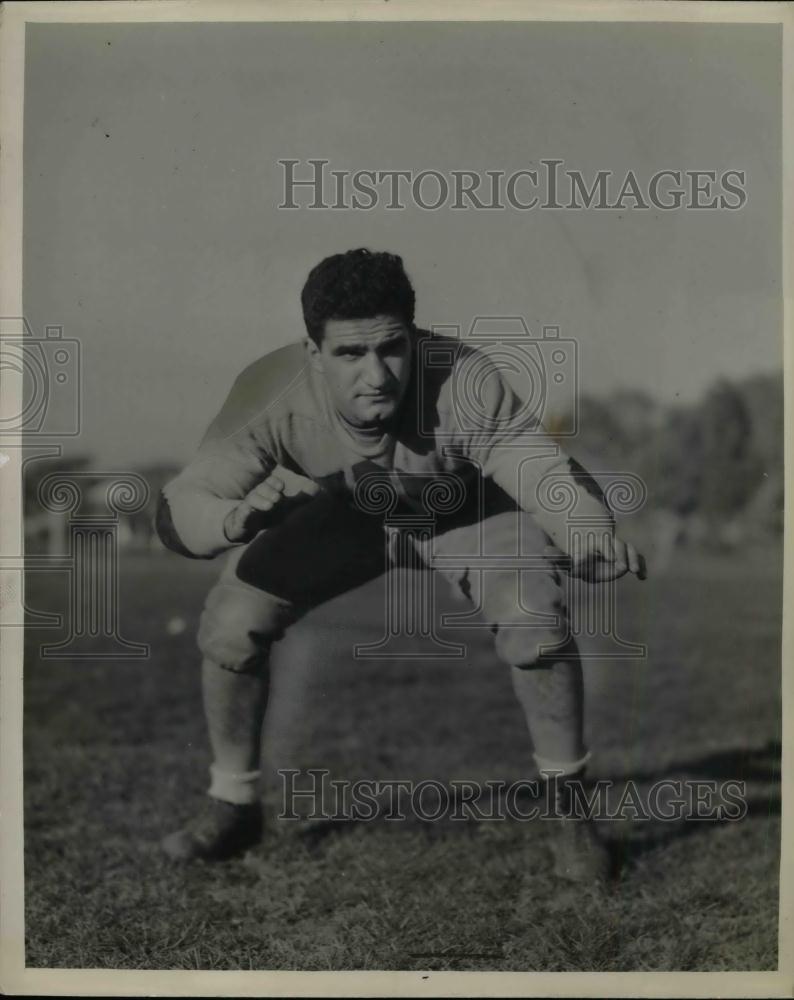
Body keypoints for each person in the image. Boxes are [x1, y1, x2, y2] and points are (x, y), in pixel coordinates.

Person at [155, 248, 645, 880]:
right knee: (231, 621)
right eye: (350, 354)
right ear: (313, 353)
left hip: (468, 512)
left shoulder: (464, 377)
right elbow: (180, 506)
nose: (377, 375)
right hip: (353, 514)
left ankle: (568, 811)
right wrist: (231, 521)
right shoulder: (270, 391)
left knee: (535, 618)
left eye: (391, 347)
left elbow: (538, 469)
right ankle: (233, 801)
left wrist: (587, 533)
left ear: (414, 338)